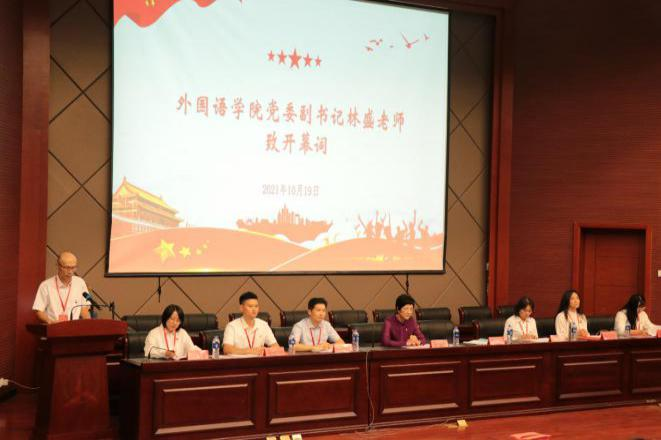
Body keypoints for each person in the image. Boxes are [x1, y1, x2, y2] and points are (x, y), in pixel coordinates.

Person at [32, 251, 90, 324]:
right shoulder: (46, 285)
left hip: (74, 328)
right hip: (54, 327)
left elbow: (84, 308)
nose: (70, 271)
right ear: (59, 266)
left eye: (73, 267)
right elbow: (38, 310)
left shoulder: (80, 283)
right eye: (67, 267)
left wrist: (89, 324)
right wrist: (50, 322)